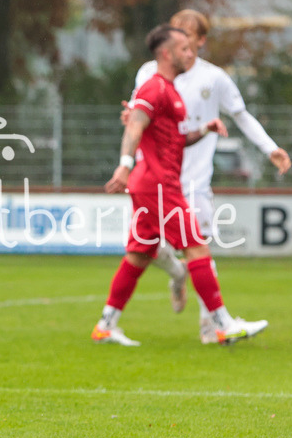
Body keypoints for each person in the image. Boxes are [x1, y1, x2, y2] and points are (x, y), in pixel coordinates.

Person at [93, 24, 268, 347]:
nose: (191, 54)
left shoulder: (170, 91)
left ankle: (106, 325)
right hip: (158, 185)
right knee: (197, 247)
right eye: (184, 49)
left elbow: (174, 139)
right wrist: (124, 164)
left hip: (154, 184)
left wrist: (205, 129)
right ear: (166, 53)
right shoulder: (154, 88)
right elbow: (134, 126)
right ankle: (223, 325)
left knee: (138, 255)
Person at [128, 10, 289, 344]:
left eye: (187, 34)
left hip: (193, 183)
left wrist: (269, 148)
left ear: (200, 40)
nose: (179, 39)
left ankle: (210, 328)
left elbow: (241, 115)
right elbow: (135, 116)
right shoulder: (149, 72)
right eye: (175, 31)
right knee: (148, 249)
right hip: (153, 179)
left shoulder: (214, 78)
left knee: (199, 248)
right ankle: (178, 275)